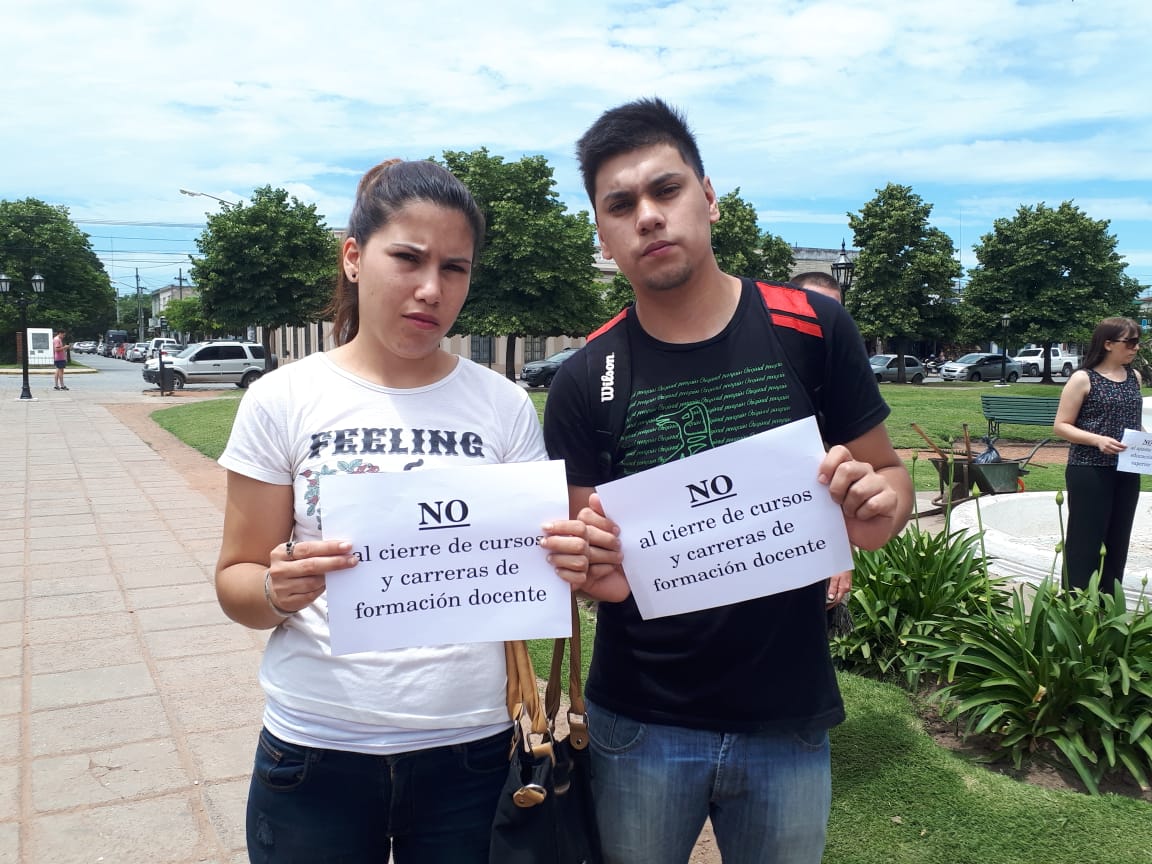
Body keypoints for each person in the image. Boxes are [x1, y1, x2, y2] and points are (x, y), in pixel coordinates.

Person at [544, 98, 913, 864]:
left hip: (787, 716)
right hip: (640, 721)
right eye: (621, 205)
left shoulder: (812, 329)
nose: (648, 216)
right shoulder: (585, 377)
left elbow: (887, 476)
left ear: (708, 198)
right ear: (603, 236)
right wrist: (589, 570)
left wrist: (882, 505)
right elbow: (590, 554)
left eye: (666, 189)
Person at [214, 158, 589, 864]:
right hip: (316, 752)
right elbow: (236, 582)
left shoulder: (502, 405)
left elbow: (534, 573)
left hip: (471, 753)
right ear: (354, 257)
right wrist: (276, 587)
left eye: (455, 268)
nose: (431, 289)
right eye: (408, 259)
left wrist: (566, 561)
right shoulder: (282, 399)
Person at [1054, 317, 1144, 596]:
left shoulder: (1134, 377)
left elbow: (1133, 422)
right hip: (1089, 468)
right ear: (1108, 344)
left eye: (1138, 342)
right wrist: (1098, 440)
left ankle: (1108, 603)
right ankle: (1076, 603)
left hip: (1127, 469)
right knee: (1085, 539)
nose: (1136, 348)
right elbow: (1061, 425)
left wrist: (1145, 441)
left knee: (1118, 538)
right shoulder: (1083, 378)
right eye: (1130, 342)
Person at [790, 271, 853, 612]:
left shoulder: (841, 385)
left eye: (834, 313)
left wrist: (840, 555)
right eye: (813, 310)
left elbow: (849, 475)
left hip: (812, 544)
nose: (825, 323)